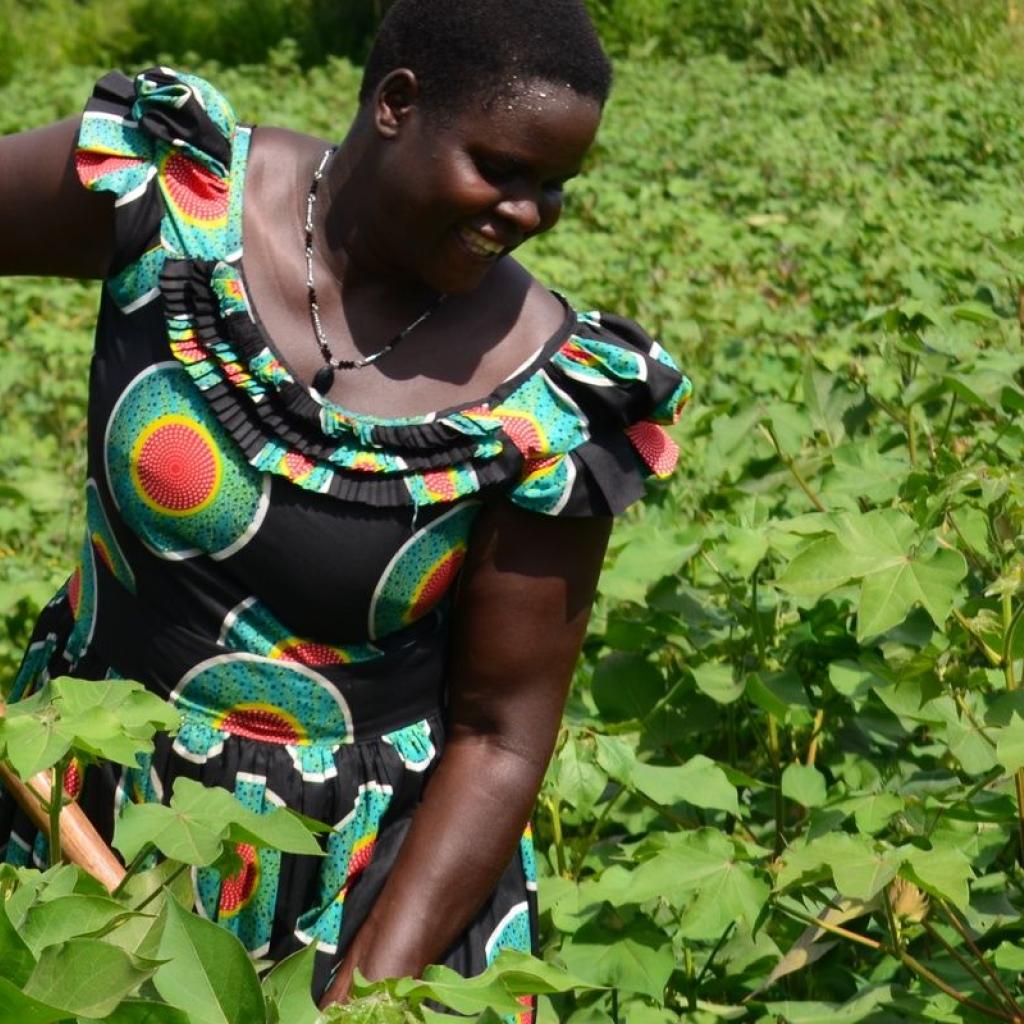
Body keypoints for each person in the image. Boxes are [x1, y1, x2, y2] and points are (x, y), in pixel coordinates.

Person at [0, 0, 690, 1011]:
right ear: (397, 104)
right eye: (499, 168)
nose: (527, 211)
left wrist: (360, 995)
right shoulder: (171, 194)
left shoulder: (542, 403)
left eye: (553, 188)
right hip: (78, 799)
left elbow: (500, 735)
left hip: (358, 894)